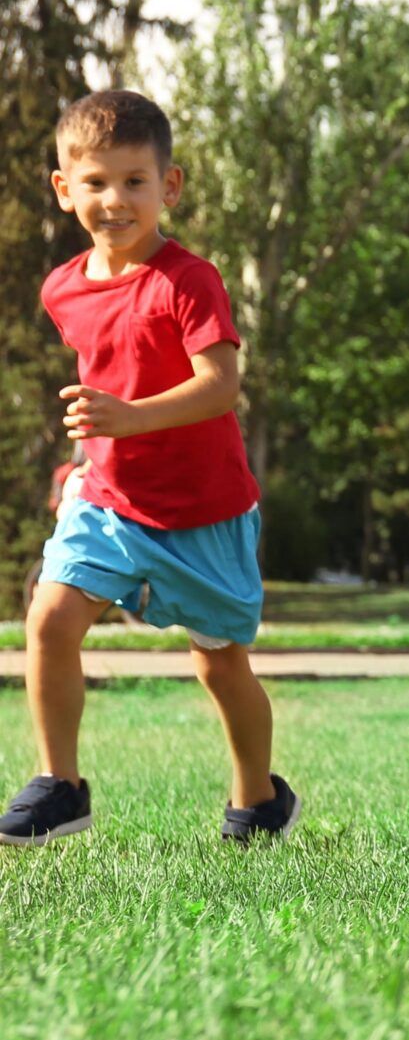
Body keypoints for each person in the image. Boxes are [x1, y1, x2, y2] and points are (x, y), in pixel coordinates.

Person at [3, 90, 294, 848]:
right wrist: (82, 460)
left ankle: (260, 798)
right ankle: (60, 785)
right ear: (64, 189)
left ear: (171, 186)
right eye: (95, 182)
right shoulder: (61, 288)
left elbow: (222, 383)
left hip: (205, 511)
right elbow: (100, 378)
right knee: (50, 619)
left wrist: (130, 416)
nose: (115, 200)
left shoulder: (187, 281)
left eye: (135, 181)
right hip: (107, 501)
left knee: (220, 665)